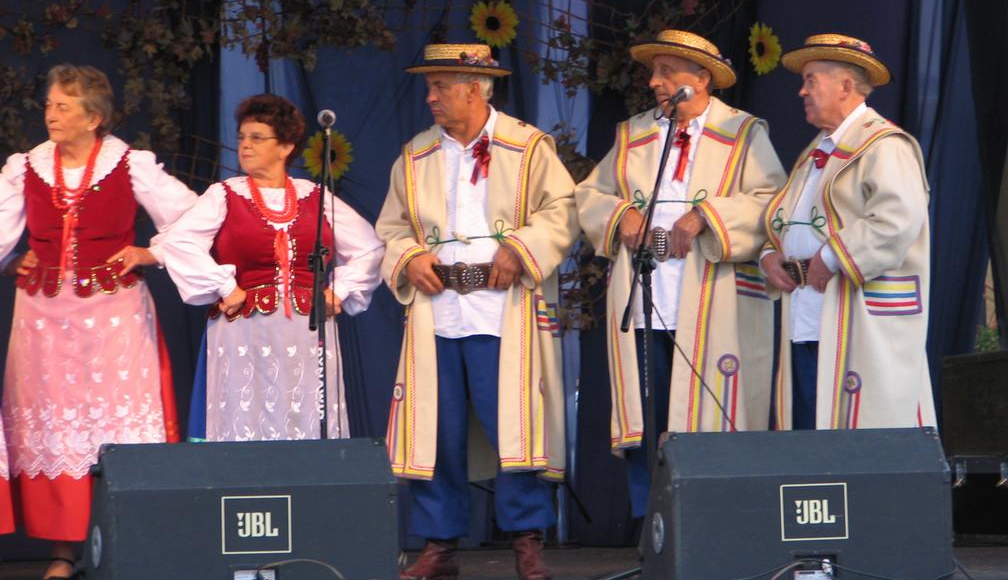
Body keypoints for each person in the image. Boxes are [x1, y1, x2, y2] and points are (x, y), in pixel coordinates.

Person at [376, 44, 577, 580]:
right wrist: (410, 256)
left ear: (474, 89)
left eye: (441, 86)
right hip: (437, 314)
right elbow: (391, 227)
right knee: (436, 430)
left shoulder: (527, 146)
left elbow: (562, 209)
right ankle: (439, 544)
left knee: (513, 426)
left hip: (502, 311)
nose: (431, 97)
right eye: (430, 86)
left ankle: (527, 542)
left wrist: (522, 248)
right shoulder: (415, 155)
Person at [576, 29, 785, 519]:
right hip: (646, 296)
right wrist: (622, 213)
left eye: (667, 71)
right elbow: (588, 195)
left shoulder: (744, 132)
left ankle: (718, 523)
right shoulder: (633, 134)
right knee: (647, 418)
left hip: (713, 299)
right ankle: (656, 528)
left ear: (702, 78)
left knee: (709, 414)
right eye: (654, 71)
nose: (654, 82)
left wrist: (706, 216)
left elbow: (772, 203)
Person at [0, 64, 197, 578]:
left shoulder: (128, 165)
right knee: (56, 428)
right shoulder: (27, 167)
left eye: (63, 106)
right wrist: (11, 258)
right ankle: (62, 552)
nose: (50, 114)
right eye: (49, 104)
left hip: (113, 316)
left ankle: (133, 544)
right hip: (44, 319)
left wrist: (150, 253)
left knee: (115, 422)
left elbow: (194, 218)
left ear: (93, 118)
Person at [160, 94, 383, 441]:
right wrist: (225, 286)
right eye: (241, 137)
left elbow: (369, 247)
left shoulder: (315, 197)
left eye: (257, 138)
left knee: (305, 415)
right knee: (247, 414)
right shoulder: (224, 195)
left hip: (307, 331)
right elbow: (179, 242)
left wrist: (339, 291)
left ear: (285, 147)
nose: (245, 145)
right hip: (244, 329)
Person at [761, 33, 936, 430]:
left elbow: (897, 219)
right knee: (811, 438)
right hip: (808, 316)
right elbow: (784, 219)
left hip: (857, 318)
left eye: (810, 80)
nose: (801, 91)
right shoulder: (815, 151)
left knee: (855, 443)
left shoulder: (884, 144)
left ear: (844, 86)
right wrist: (769, 255)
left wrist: (830, 256)